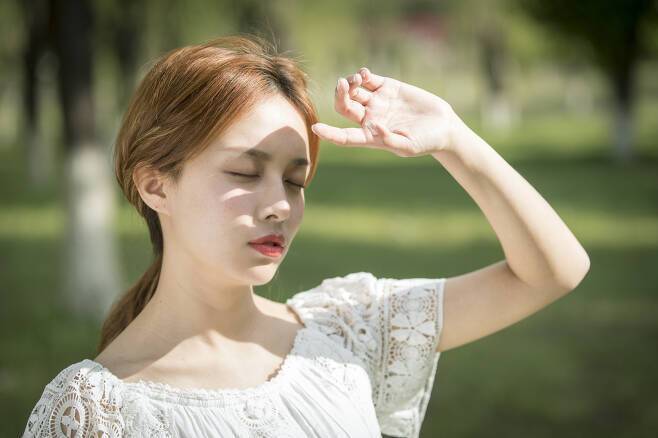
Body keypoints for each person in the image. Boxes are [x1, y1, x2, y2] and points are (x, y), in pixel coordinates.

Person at [21, 34, 590, 438]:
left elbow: (551, 272)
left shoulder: (345, 330)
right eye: (245, 173)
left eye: (295, 181)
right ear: (156, 186)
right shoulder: (95, 410)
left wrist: (454, 138)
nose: (279, 205)